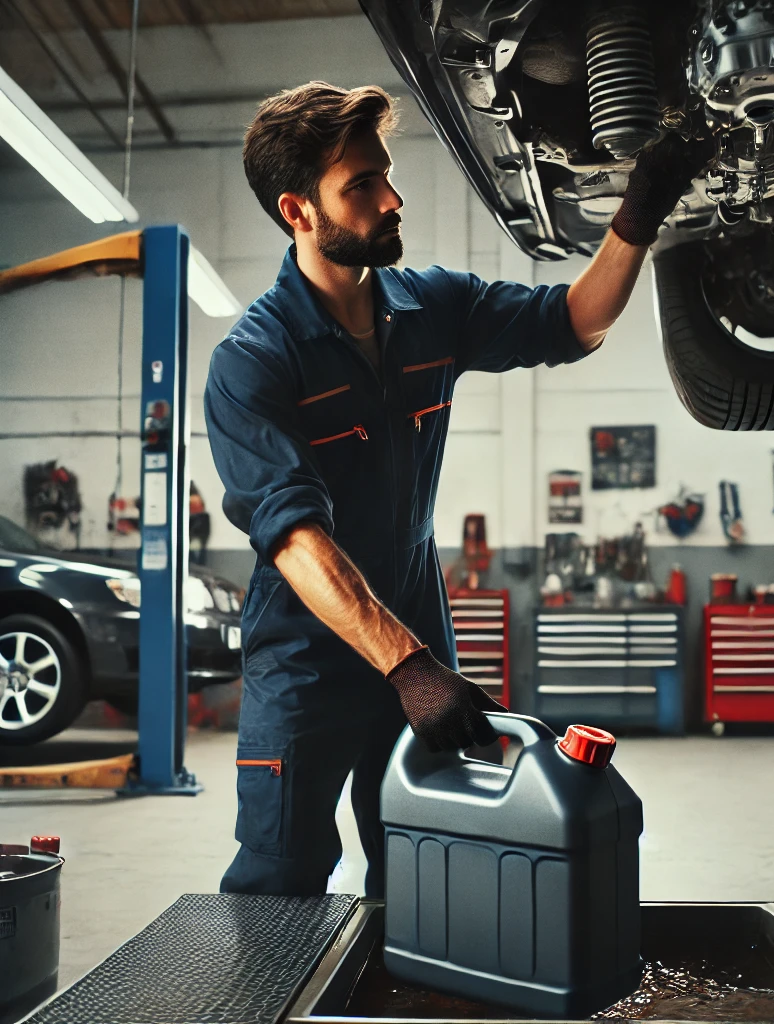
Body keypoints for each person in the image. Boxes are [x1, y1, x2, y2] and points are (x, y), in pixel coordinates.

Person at [205, 81, 694, 897]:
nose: (392, 200)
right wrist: (407, 667)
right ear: (298, 211)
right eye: (361, 186)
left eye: (385, 175)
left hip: (416, 618)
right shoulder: (255, 359)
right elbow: (294, 537)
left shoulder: (431, 307)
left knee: (425, 859)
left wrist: (637, 214)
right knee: (280, 872)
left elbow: (577, 321)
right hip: (306, 654)